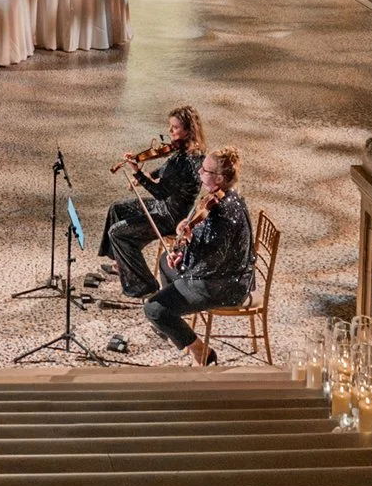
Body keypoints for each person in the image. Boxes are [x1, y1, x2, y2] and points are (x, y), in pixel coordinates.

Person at [144, 146, 255, 366]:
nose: (199, 174)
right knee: (164, 264)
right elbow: (206, 243)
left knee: (153, 308)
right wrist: (181, 252)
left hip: (224, 285)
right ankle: (180, 331)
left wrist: (187, 250)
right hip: (218, 274)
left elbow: (213, 258)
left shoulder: (224, 211)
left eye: (205, 171)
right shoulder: (220, 199)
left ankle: (200, 350)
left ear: (220, 178)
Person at [97, 106, 205, 301]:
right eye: (170, 127)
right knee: (117, 209)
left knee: (117, 233)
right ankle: (121, 264)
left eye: (175, 128)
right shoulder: (185, 152)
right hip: (168, 207)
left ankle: (144, 284)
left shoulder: (186, 162)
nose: (170, 132)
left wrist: (138, 173)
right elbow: (165, 171)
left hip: (170, 216)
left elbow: (160, 193)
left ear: (188, 130)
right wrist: (149, 174)